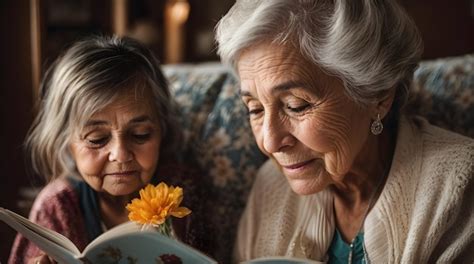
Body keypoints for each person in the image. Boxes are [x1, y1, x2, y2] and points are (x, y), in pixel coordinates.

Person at [215, 0, 474, 263]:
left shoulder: (459, 186)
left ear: (378, 96)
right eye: (255, 109)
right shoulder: (270, 185)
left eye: (297, 105)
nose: (270, 142)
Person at [9, 36, 210, 264]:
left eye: (140, 134)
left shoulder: (185, 190)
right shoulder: (55, 207)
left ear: (162, 130)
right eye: (97, 139)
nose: (121, 155)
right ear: (67, 142)